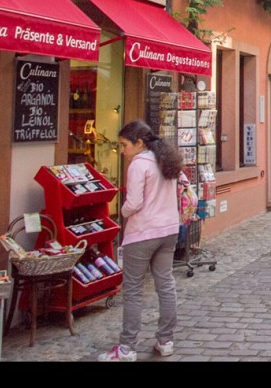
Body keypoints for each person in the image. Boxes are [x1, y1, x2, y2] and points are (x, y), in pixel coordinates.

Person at [98, 120, 182, 361]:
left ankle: (126, 348)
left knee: (133, 290)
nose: (122, 151)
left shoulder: (139, 165)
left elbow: (134, 203)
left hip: (143, 232)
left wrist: (121, 211)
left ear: (139, 143)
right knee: (165, 284)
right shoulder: (167, 160)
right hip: (168, 230)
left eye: (124, 145)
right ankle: (165, 340)